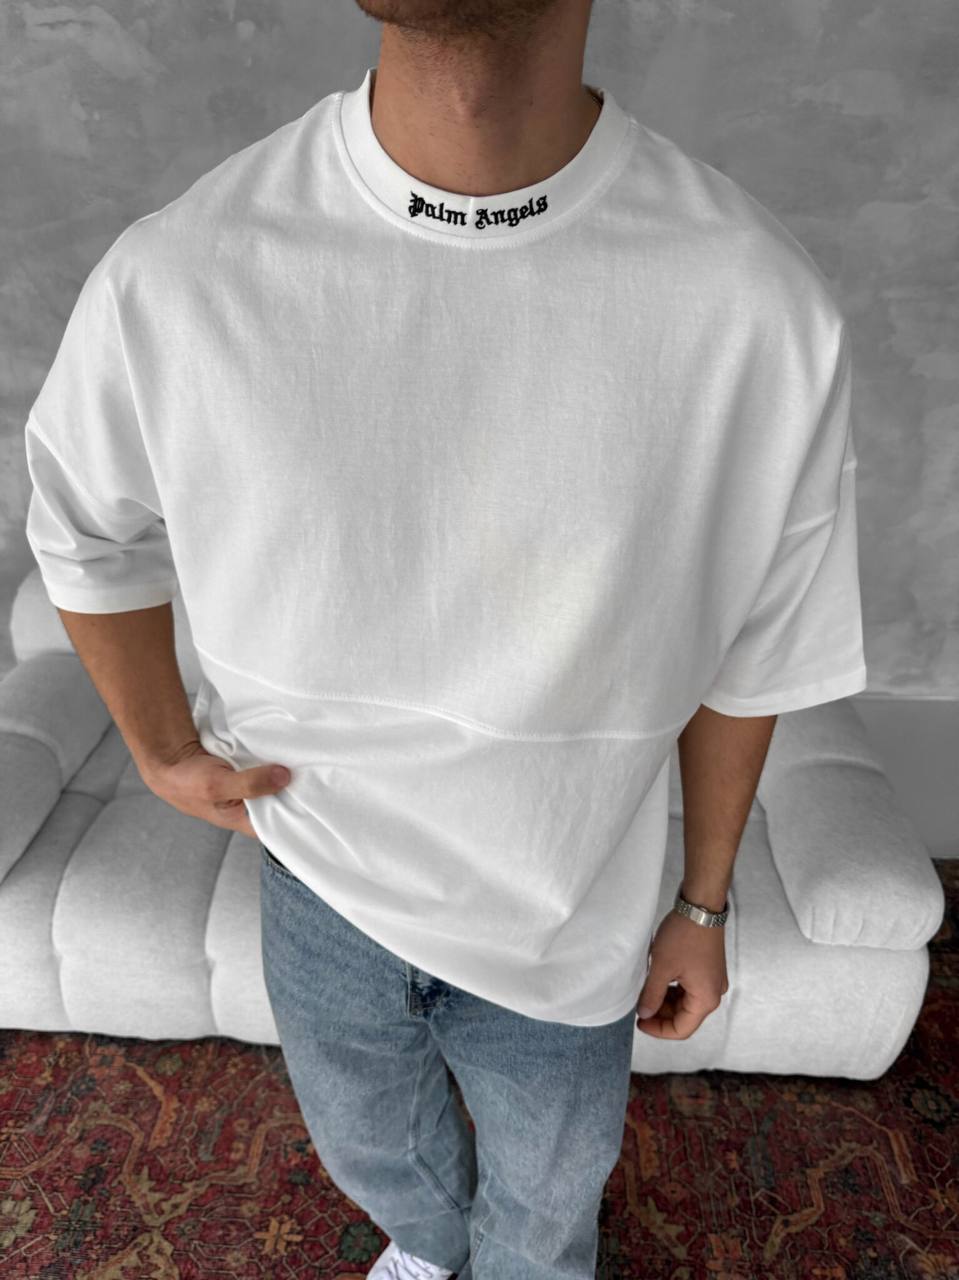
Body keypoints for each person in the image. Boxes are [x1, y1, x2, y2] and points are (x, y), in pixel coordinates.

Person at [23, 1, 868, 1276]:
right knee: (376, 1156)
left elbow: (756, 643)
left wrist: (700, 901)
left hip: (565, 902)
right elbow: (85, 525)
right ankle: (428, 1249)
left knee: (545, 1204)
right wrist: (159, 748)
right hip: (316, 877)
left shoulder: (754, 305)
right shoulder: (185, 268)